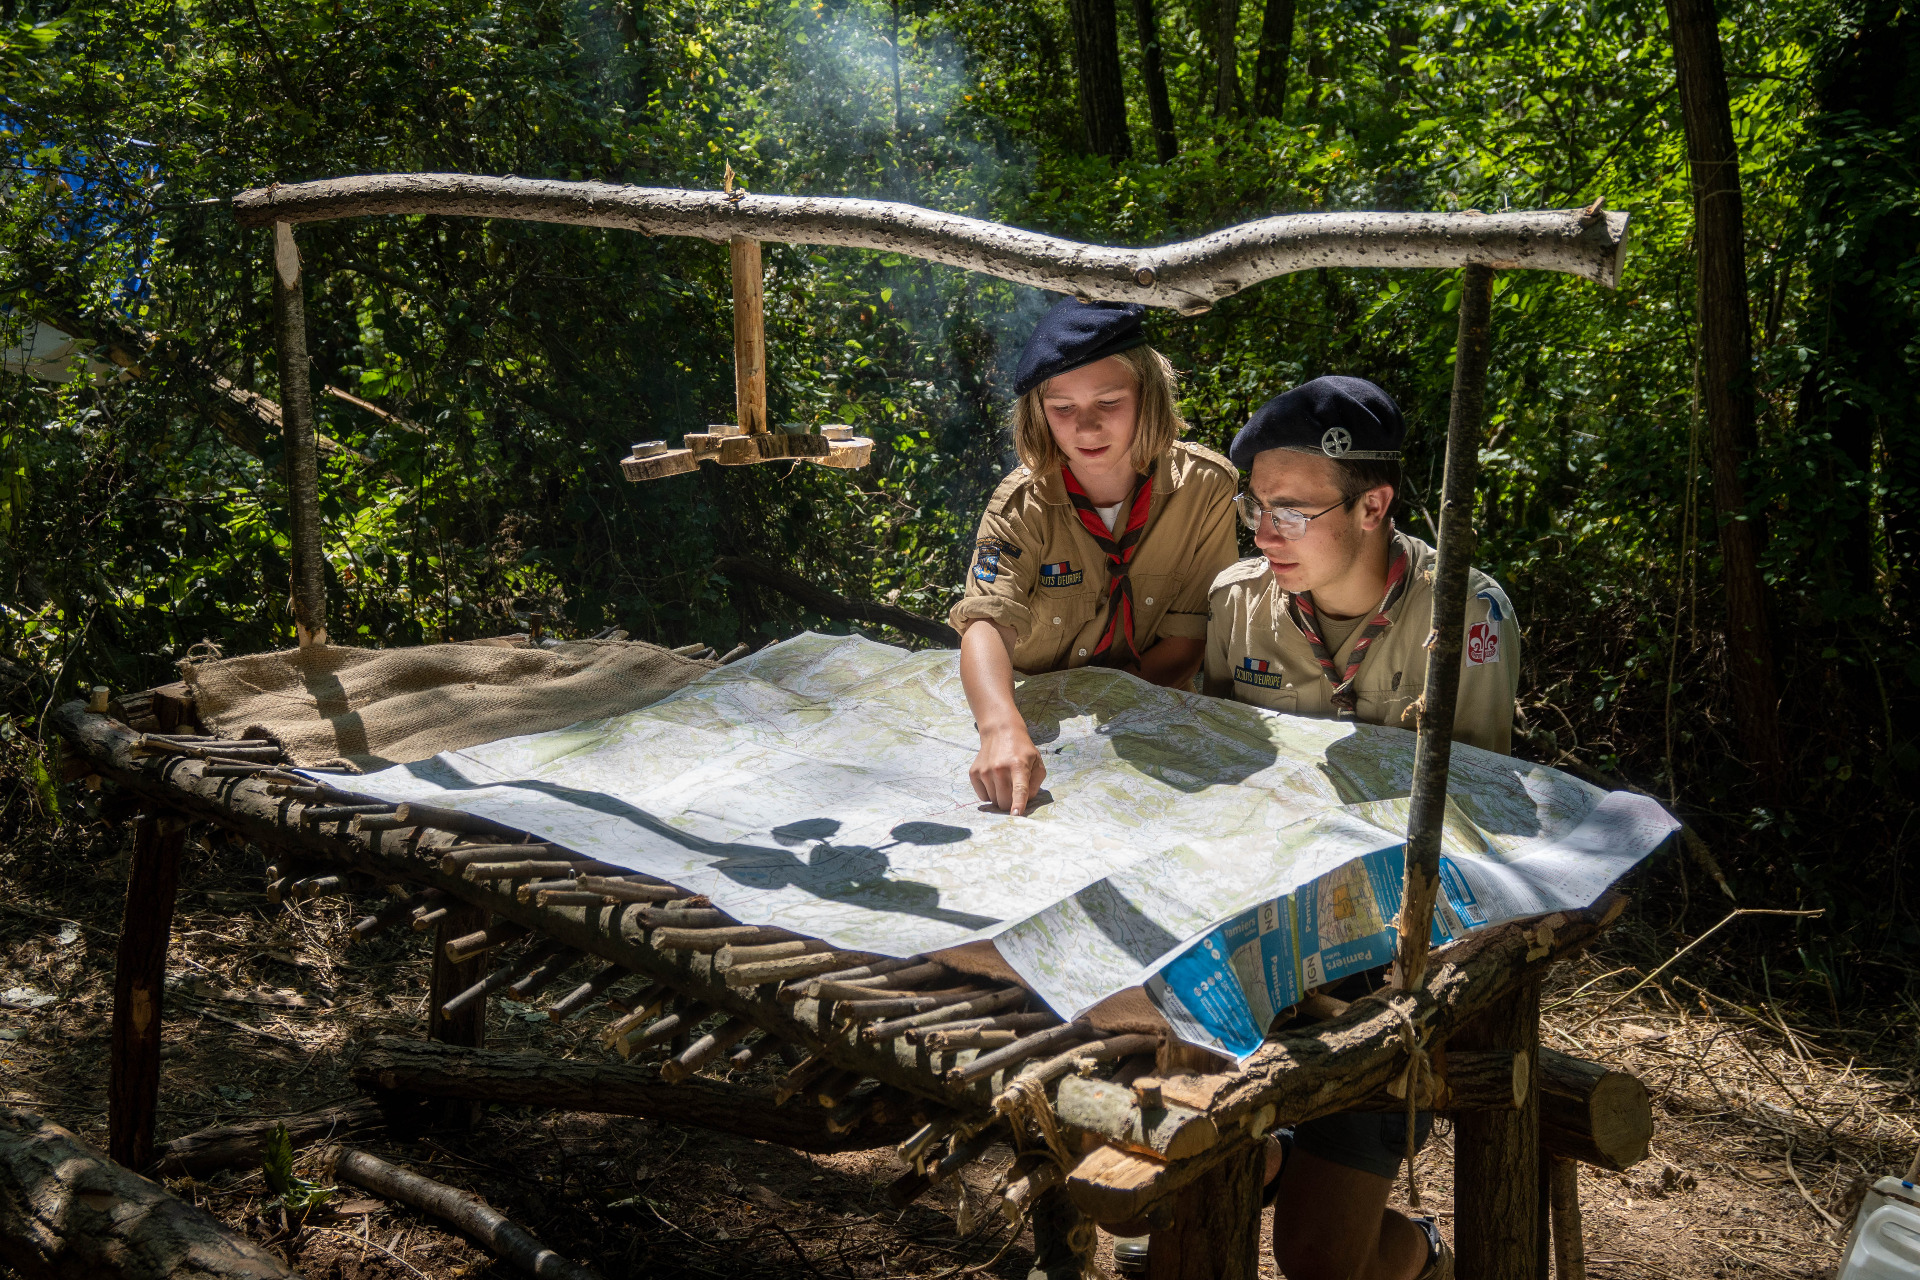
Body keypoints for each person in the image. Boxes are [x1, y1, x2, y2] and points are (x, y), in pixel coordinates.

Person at [1204, 375, 1520, 1280]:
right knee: (1189, 1159)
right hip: (1261, 951)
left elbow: (1480, 826)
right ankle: (1274, 1154)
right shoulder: (1239, 602)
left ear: (1375, 504)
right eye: (1254, 505)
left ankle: (1421, 1256)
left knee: (1317, 1263)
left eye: (1292, 511)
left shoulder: (1463, 617)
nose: (1264, 533)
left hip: (1386, 970)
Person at [950, 296, 1238, 817]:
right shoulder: (1022, 504)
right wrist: (999, 727)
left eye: (1108, 403)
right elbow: (986, 624)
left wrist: (1107, 730)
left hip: (1152, 709)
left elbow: (1188, 637)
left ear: (1147, 397)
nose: (1085, 428)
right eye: (1063, 409)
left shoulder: (1205, 489)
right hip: (1035, 719)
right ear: (1039, 412)